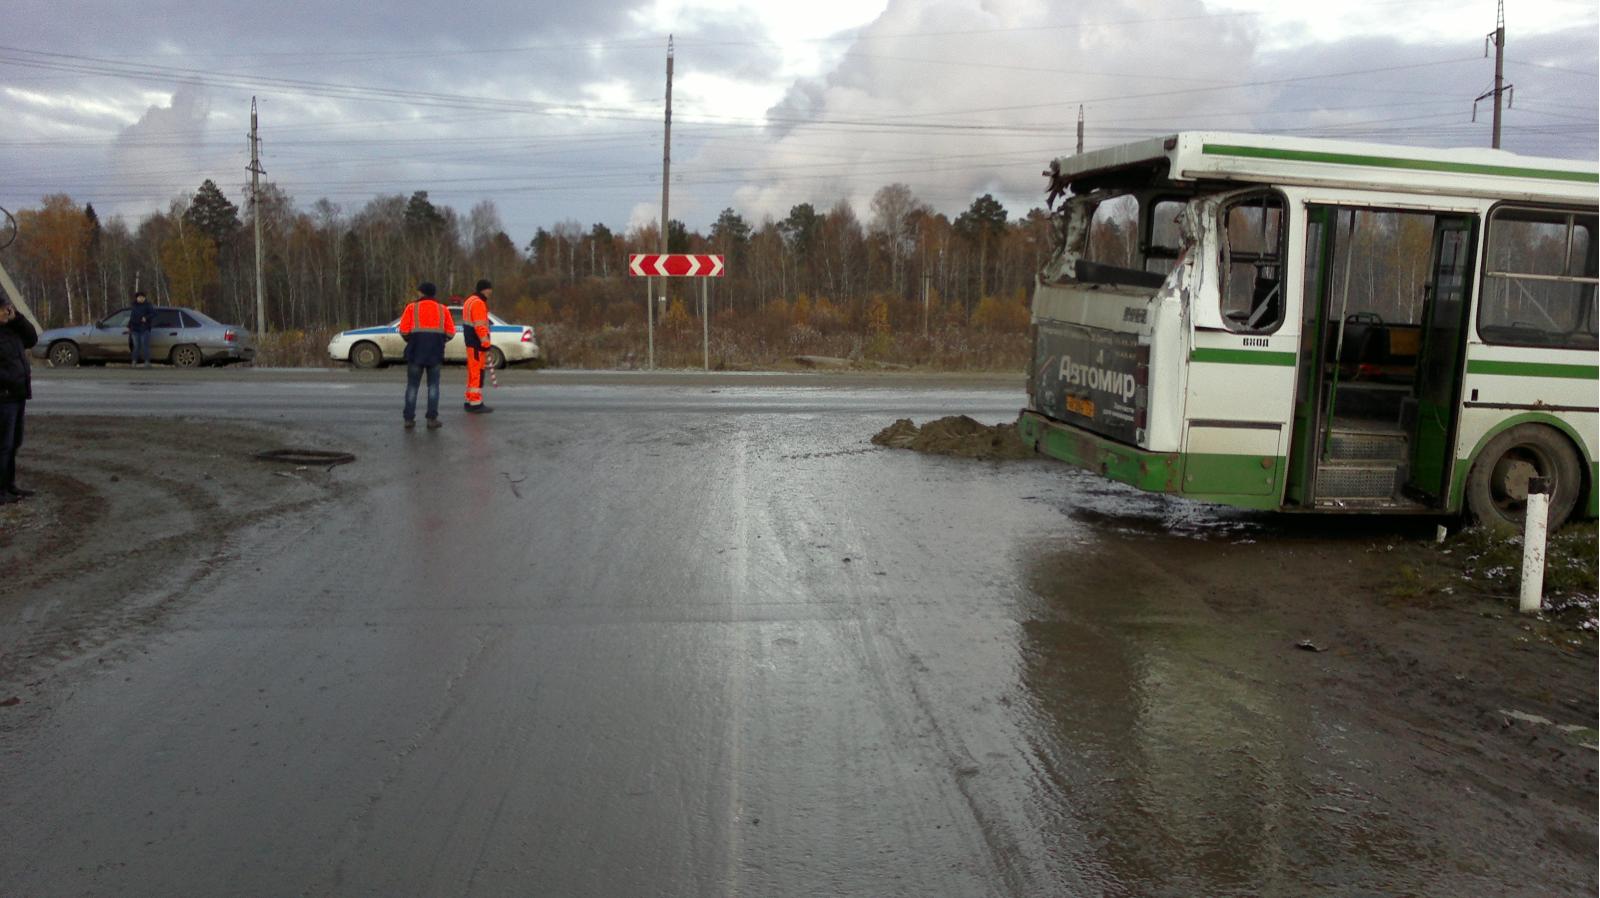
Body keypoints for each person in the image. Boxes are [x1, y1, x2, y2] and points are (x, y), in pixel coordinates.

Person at [398, 282, 455, 429]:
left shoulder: (412, 308)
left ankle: (409, 419)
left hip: (415, 352)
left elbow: (403, 330)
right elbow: (451, 333)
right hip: (435, 353)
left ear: (422, 293)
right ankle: (431, 419)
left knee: (412, 386)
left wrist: (412, 340)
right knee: (433, 386)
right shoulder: (443, 309)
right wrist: (441, 341)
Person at [0, 296, 39, 503]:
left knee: (14, 443)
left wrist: (17, 319)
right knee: (2, 445)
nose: (6, 312)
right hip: (3, 396)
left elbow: (32, 338)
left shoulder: (12, 328)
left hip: (17, 394)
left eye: (7, 309)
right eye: (3, 310)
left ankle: (9, 485)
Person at [461, 279, 494, 414]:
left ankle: (470, 400)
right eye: (490, 289)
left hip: (471, 343)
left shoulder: (469, 301)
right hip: (476, 344)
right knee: (477, 374)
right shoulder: (479, 303)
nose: (491, 292)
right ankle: (476, 404)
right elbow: (480, 326)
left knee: (473, 373)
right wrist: (486, 343)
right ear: (484, 289)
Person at [129, 290, 155, 367]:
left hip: (144, 328)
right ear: (137, 298)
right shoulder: (134, 305)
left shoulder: (148, 305)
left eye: (142, 297)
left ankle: (147, 362)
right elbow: (132, 316)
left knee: (145, 345)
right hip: (135, 329)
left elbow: (154, 314)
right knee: (136, 346)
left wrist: (146, 318)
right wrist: (130, 325)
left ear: (144, 298)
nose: (140, 299)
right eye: (139, 297)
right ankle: (134, 362)